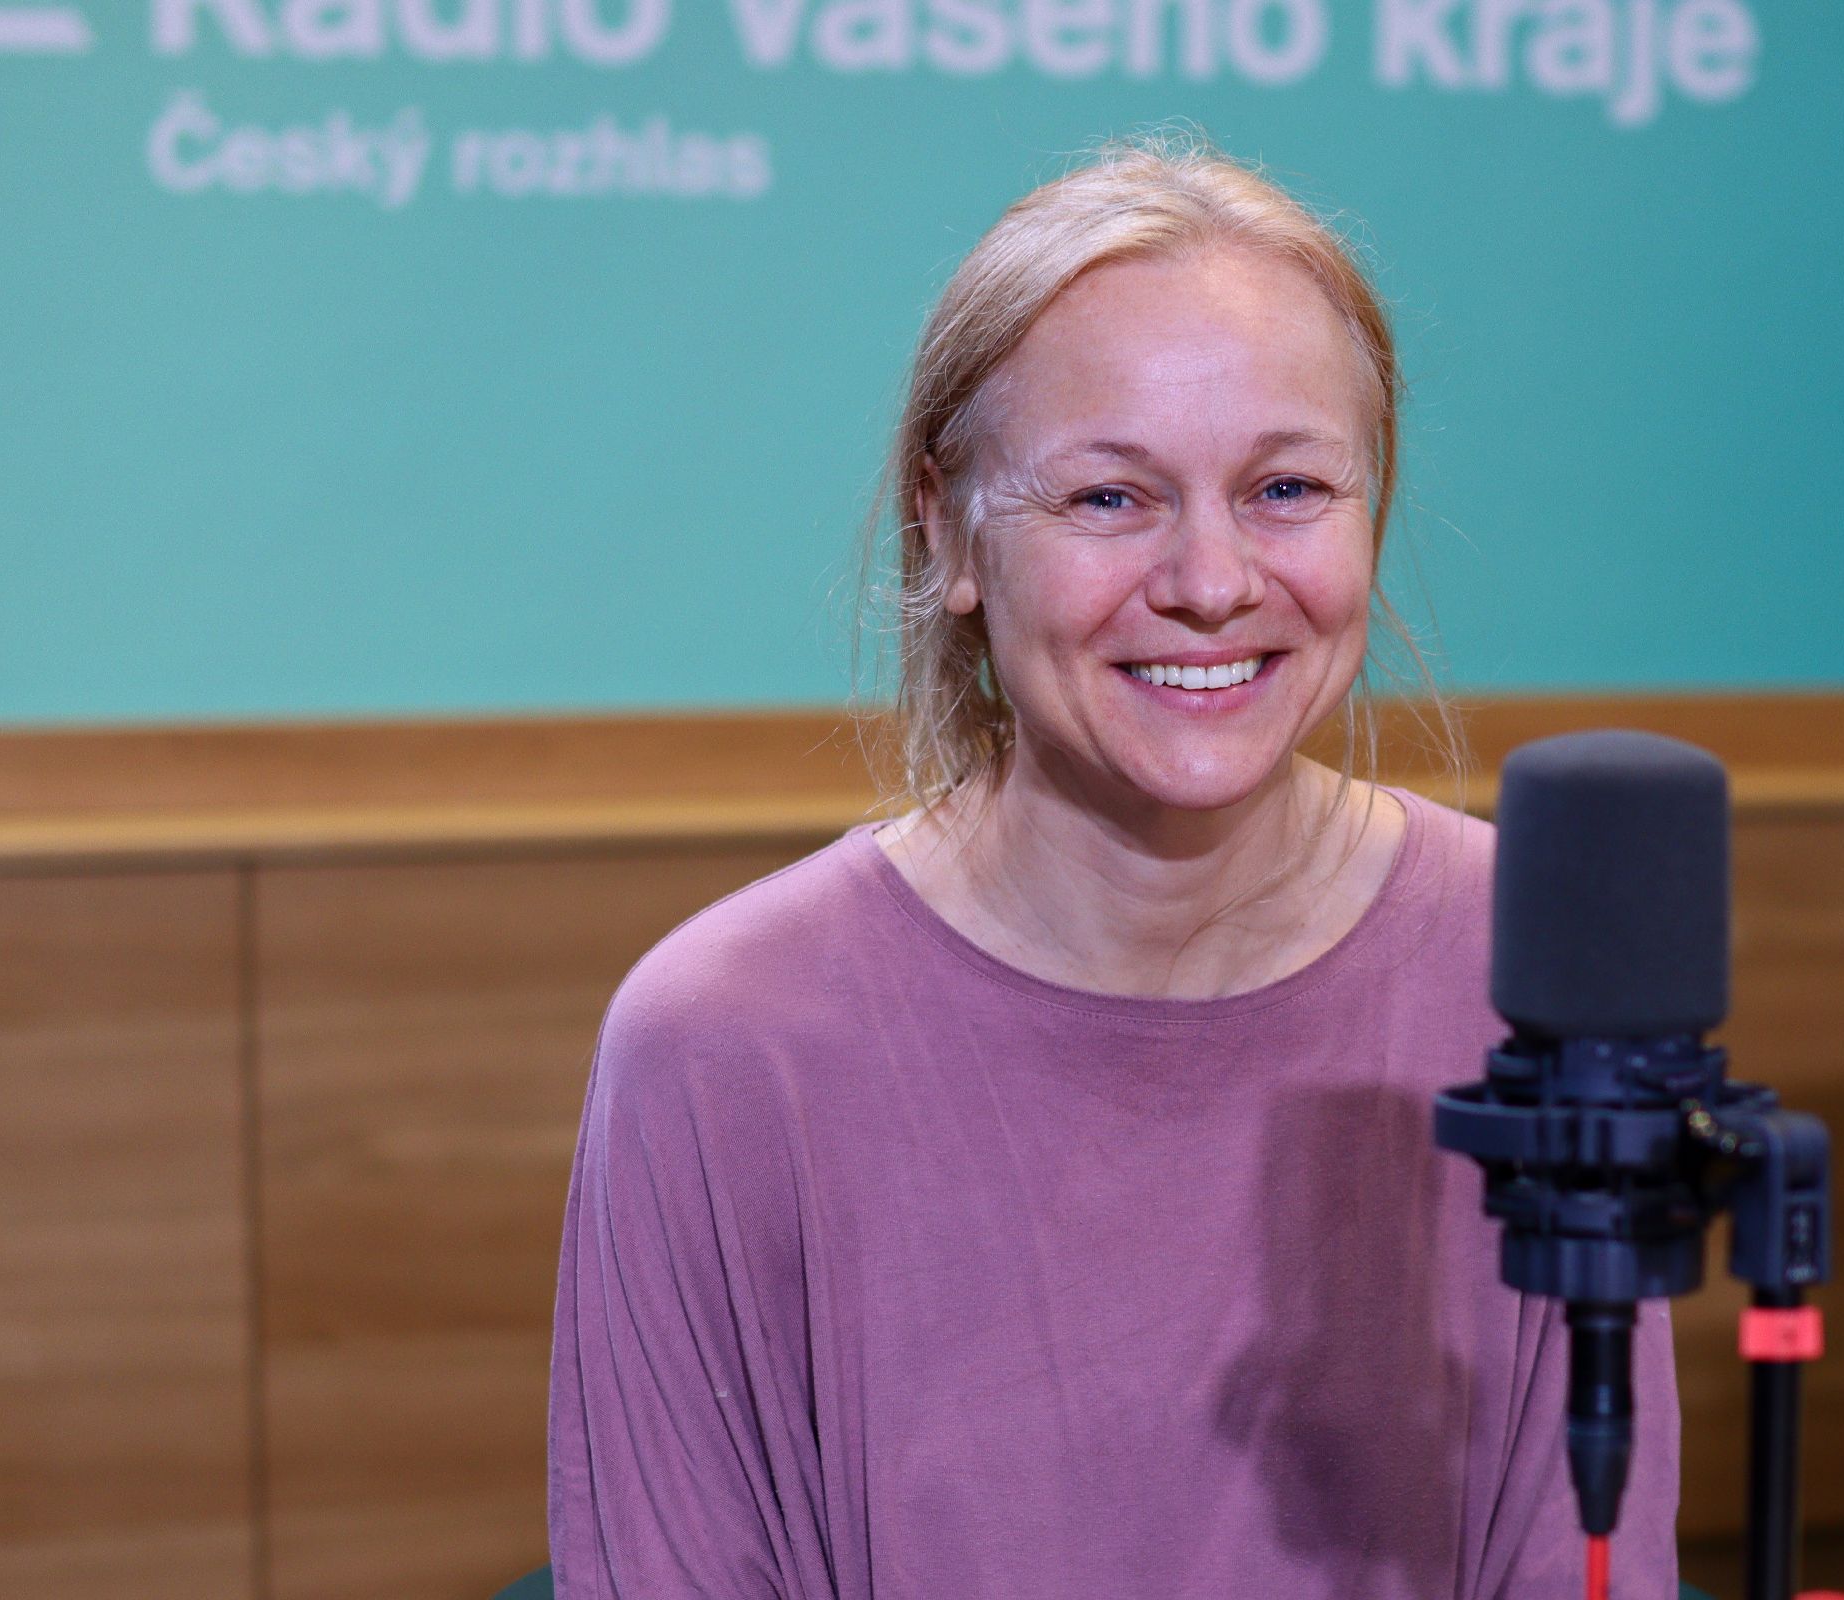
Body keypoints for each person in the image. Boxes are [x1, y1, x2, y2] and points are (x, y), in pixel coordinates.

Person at [547, 136, 1679, 1598]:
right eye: (1108, 500)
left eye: (1286, 488)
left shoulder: (1535, 959)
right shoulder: (718, 1041)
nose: (1212, 583)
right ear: (947, 529)